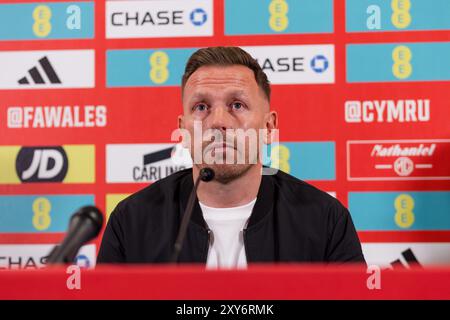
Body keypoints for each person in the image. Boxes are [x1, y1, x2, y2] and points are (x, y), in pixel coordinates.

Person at [97, 46, 365, 267]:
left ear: (269, 128)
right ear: (183, 130)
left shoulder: (325, 220)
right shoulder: (132, 221)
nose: (218, 122)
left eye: (237, 105)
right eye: (201, 107)